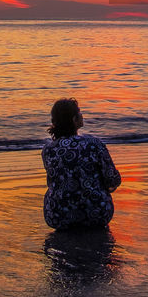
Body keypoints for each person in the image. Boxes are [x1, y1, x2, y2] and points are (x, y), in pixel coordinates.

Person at [42, 98, 122, 230]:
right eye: (79, 112)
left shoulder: (48, 149)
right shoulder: (93, 144)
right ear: (74, 119)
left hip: (57, 216)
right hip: (96, 215)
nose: (81, 115)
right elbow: (113, 179)